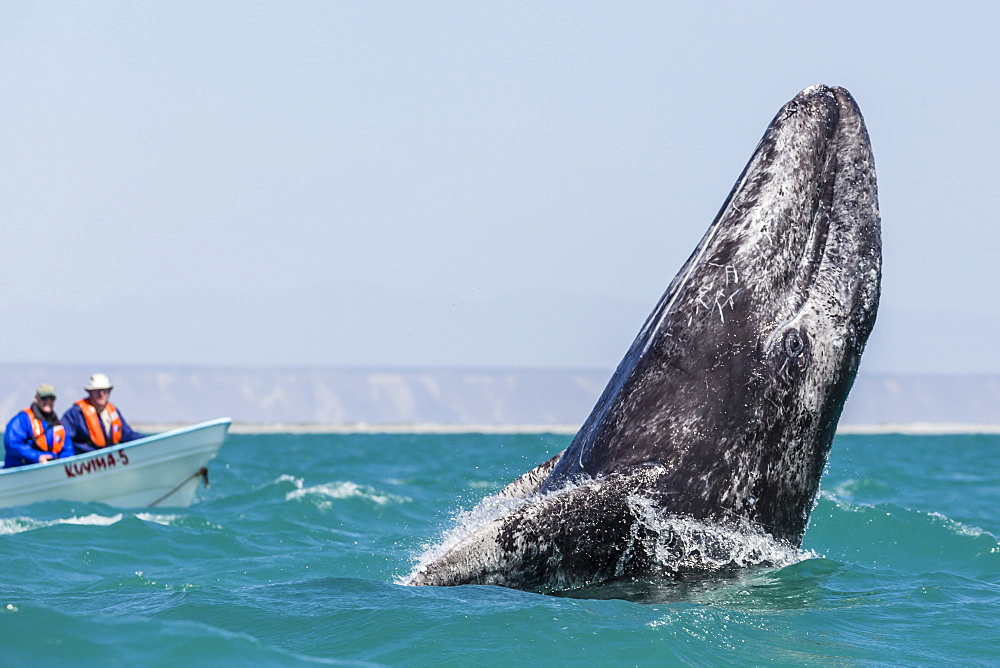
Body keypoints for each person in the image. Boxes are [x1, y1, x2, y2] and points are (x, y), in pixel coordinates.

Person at [61, 373, 144, 453]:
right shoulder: (75, 414)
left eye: (105, 390)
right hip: (86, 462)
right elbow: (65, 441)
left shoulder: (113, 412)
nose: (102, 394)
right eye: (97, 390)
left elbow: (127, 435)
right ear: (90, 392)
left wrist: (146, 442)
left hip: (110, 459)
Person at [4, 384, 75, 468]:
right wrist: (37, 457)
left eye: (51, 399)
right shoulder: (23, 419)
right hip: (24, 466)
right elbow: (12, 444)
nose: (48, 402)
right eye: (44, 398)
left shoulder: (58, 424)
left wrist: (61, 462)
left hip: (51, 468)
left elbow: (67, 449)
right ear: (36, 399)